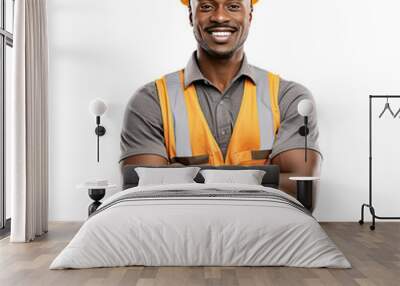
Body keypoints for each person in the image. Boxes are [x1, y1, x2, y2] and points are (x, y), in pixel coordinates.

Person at [119, 0, 322, 197]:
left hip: (267, 232)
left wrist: (182, 174)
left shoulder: (289, 99)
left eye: (233, 6)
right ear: (191, 16)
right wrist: (263, 176)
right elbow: (142, 196)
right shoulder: (151, 101)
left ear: (249, 16)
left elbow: (302, 191)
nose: (220, 17)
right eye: (206, 6)